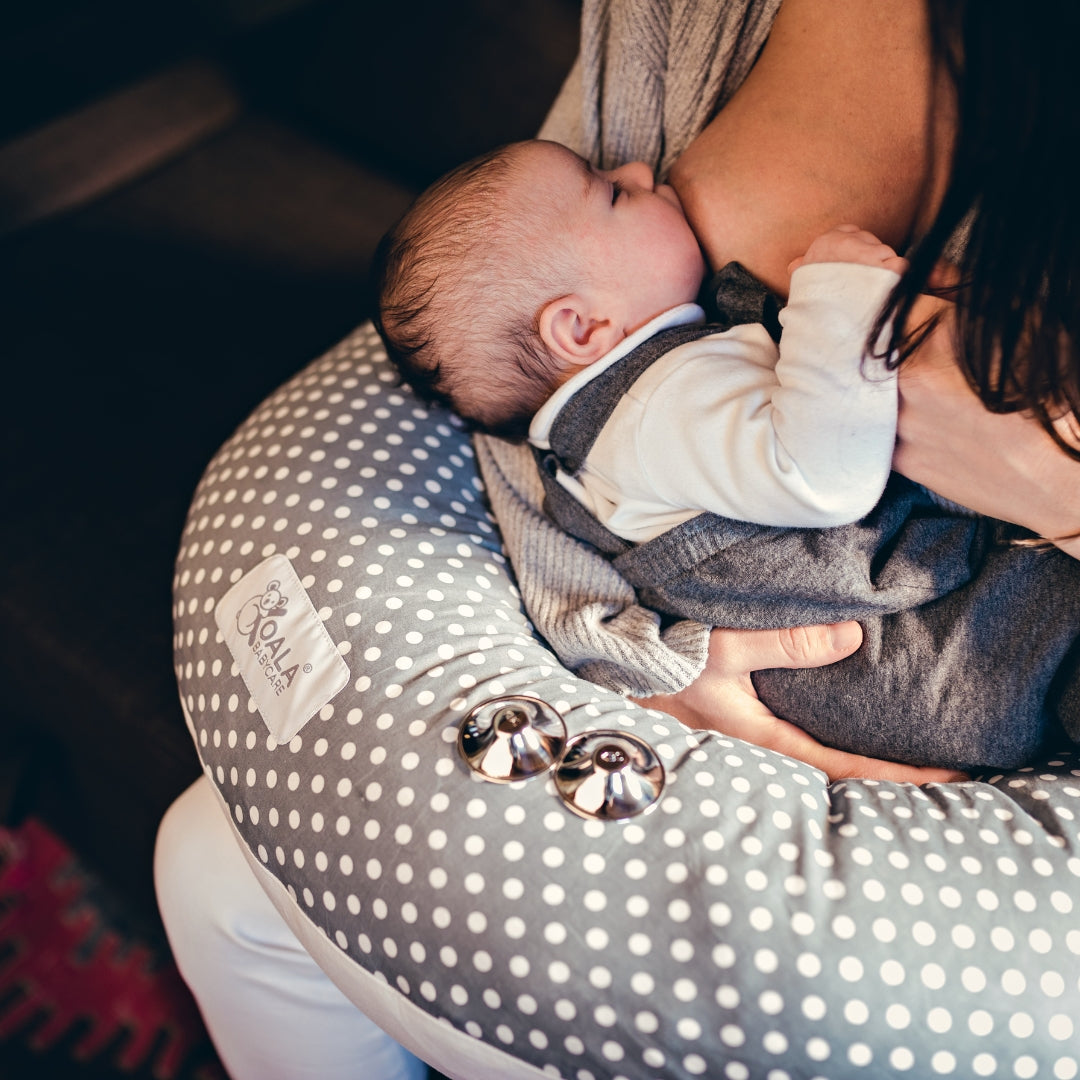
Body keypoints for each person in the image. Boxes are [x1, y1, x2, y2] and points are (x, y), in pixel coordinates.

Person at [156, 1, 1080, 1078]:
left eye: (626, 185)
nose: (638, 171)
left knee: (223, 870)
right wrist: (636, 654)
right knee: (209, 863)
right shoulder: (684, 31)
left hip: (966, 660)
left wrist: (1053, 492)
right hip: (845, 637)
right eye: (616, 191)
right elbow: (518, 411)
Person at [375, 136, 1080, 772]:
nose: (637, 166)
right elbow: (819, 475)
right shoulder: (656, 408)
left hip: (927, 676)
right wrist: (840, 296)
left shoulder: (603, 437)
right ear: (582, 328)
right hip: (946, 654)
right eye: (613, 192)